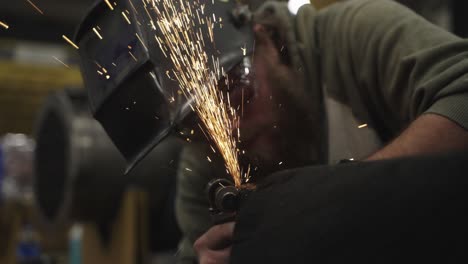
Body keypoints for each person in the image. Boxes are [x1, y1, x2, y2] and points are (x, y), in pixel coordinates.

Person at [175, 0, 468, 263]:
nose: (231, 128)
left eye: (239, 94)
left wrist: (323, 204)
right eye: (200, 123)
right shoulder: (204, 167)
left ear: (264, 39)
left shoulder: (355, 35)